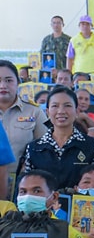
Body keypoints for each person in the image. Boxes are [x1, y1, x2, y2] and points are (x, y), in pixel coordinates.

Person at [21, 86, 94, 190]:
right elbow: (27, 186)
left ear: (77, 111)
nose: (61, 111)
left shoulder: (92, 145)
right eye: (55, 106)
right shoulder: (34, 147)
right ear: (47, 112)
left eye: (67, 106)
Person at [0, 59, 48, 188]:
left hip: (22, 185)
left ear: (18, 83)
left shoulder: (34, 111)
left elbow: (47, 147)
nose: (3, 85)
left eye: (9, 80)